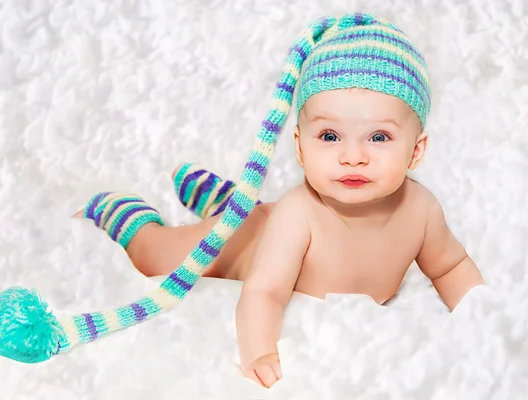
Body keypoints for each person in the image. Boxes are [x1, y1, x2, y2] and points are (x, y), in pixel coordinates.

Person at [72, 13, 485, 389]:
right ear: (301, 149)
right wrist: (259, 350)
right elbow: (265, 292)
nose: (352, 155)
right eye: (329, 136)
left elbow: (451, 266)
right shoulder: (299, 213)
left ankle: (223, 199)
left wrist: (480, 319)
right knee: (157, 257)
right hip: (245, 245)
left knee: (253, 214)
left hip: (265, 221)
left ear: (416, 150)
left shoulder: (422, 210)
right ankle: (126, 212)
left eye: (379, 137)